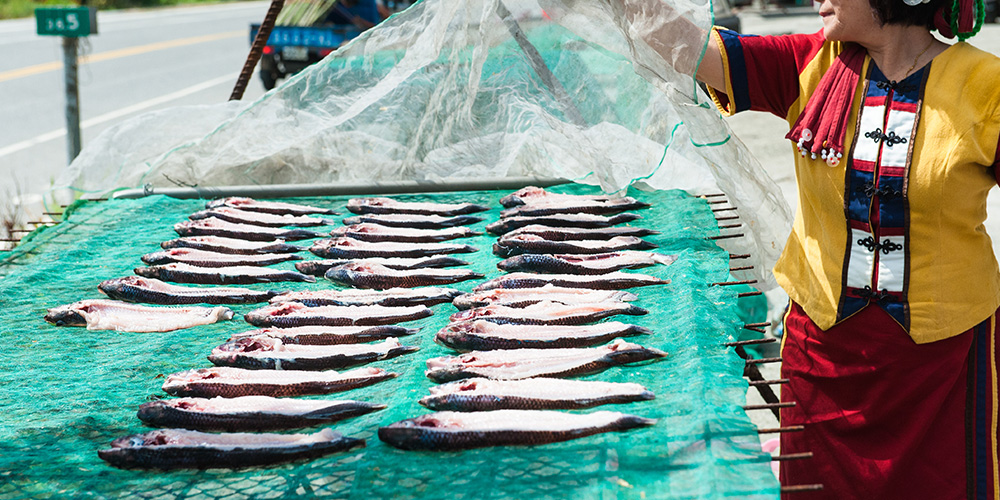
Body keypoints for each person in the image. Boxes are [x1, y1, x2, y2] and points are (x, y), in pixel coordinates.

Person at [690, 0, 1000, 497]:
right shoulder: (811, 63)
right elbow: (684, 47)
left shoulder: (987, 86)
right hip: (821, 363)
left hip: (941, 370)